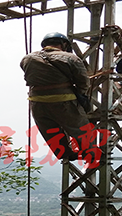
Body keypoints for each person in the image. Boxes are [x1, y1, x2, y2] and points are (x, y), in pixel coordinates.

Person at [20, 32, 92, 162]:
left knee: (51, 131)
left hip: (37, 103)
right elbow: (84, 83)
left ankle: (65, 153)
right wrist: (80, 96)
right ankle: (90, 152)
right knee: (80, 129)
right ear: (64, 44)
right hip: (63, 100)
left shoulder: (27, 58)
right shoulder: (71, 58)